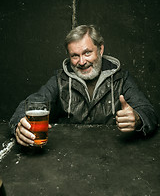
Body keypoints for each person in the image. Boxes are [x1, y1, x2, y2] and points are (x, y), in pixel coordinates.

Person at [10, 25, 158, 146]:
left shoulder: (121, 78)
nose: (81, 62)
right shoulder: (59, 79)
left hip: (113, 154)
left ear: (100, 49)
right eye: (75, 56)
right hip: (68, 154)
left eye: (87, 53)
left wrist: (137, 118)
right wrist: (20, 124)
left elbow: (148, 111)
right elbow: (32, 103)